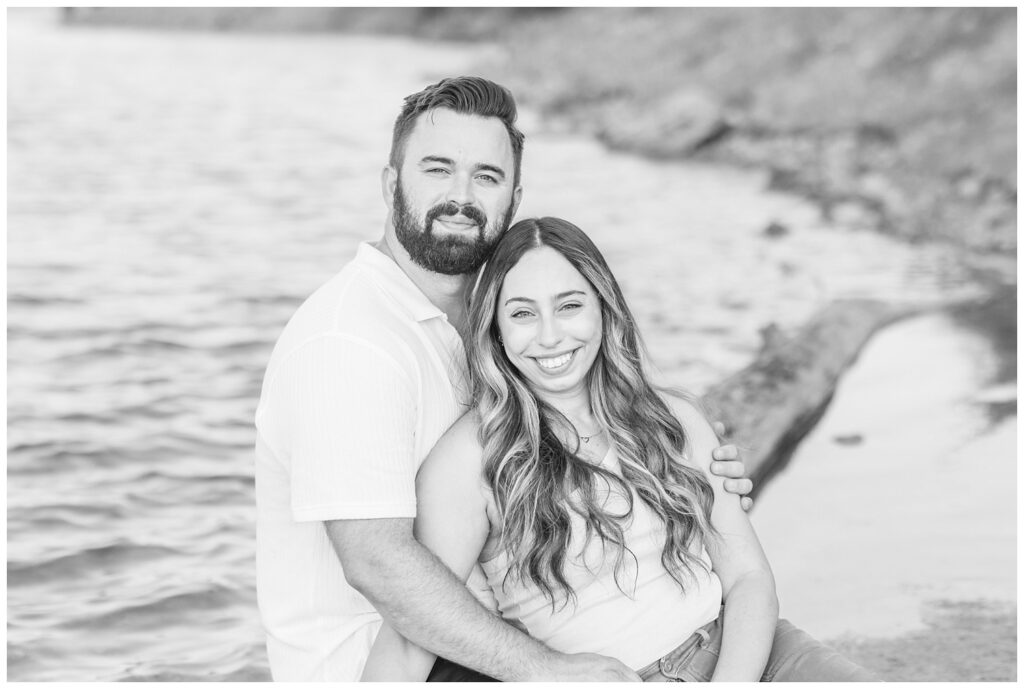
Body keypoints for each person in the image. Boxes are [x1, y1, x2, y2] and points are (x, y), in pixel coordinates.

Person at [254, 76, 753, 682]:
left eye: (486, 176)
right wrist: (549, 669)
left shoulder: (468, 321)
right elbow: (378, 564)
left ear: (512, 199)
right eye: (437, 169)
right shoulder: (351, 343)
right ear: (391, 184)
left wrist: (694, 472)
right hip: (389, 665)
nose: (461, 196)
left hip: (480, 645)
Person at [362, 217, 877, 682]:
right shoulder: (471, 458)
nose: (549, 337)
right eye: (522, 314)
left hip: (749, 653)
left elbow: (747, 576)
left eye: (569, 306)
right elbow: (412, 635)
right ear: (495, 329)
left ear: (604, 309)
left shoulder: (674, 416)